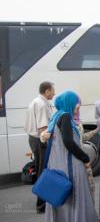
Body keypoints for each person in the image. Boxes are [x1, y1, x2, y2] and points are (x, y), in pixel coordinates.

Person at [44, 91, 98, 222]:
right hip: (70, 165)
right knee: (75, 195)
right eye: (76, 103)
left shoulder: (56, 116)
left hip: (58, 163)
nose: (78, 105)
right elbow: (68, 142)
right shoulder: (66, 116)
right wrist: (85, 158)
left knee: (62, 196)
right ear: (69, 102)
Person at [24, 81, 55, 213]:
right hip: (40, 140)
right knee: (43, 170)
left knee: (40, 168)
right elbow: (43, 129)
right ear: (47, 91)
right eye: (53, 90)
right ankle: (41, 205)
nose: (54, 93)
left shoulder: (35, 101)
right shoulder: (42, 105)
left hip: (33, 139)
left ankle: (43, 202)